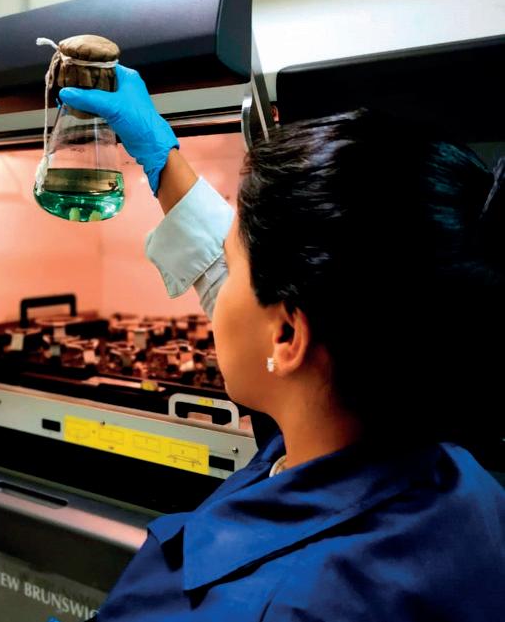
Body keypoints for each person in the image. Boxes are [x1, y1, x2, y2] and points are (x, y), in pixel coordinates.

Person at [60, 66, 505, 621]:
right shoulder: (458, 482)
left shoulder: (265, 605)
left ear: (289, 335)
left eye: (233, 265)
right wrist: (161, 158)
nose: (219, 286)